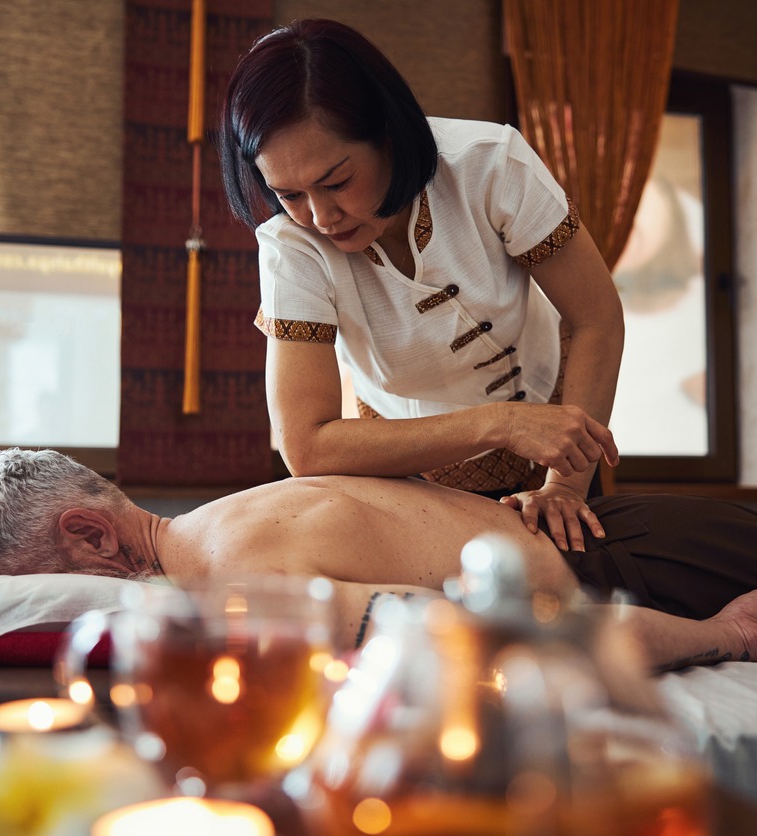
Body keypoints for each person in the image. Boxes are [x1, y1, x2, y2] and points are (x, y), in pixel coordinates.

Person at [0, 450, 757, 667]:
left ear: (87, 536)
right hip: (630, 541)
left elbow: (497, 629)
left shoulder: (225, 577)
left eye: (51, 584)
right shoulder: (223, 521)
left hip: (645, 571)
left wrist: (722, 634)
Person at [218, 19, 625, 553]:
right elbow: (307, 446)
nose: (320, 217)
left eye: (337, 182)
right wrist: (499, 423)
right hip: (405, 466)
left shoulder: (488, 163)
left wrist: (567, 487)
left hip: (559, 414)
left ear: (389, 136)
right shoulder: (290, 245)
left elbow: (596, 317)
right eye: (289, 194)